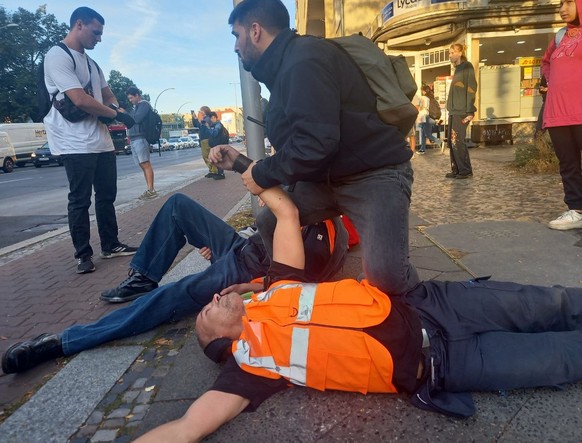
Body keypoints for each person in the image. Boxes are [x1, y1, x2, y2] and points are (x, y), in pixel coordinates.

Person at [135, 182, 582, 442]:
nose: (211, 299)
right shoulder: (248, 370)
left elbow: (286, 213)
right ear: (218, 344)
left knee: (549, 302)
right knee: (560, 359)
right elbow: (186, 428)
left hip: (435, 304)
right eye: (206, 313)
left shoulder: (276, 289)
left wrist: (249, 171)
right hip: (442, 365)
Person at [1, 192, 348, 375]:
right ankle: (143, 277)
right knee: (179, 206)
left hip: (244, 270)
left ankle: (65, 341)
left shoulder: (321, 243)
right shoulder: (316, 210)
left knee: (172, 296)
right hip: (242, 247)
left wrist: (249, 288)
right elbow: (270, 235)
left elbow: (288, 288)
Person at [210, 0, 418, 297]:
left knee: (385, 280)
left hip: (375, 176)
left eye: (236, 35)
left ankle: (426, 309)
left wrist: (264, 172)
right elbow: (299, 149)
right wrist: (242, 162)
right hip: (328, 182)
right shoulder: (283, 71)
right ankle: (297, 297)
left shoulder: (303, 60)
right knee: (268, 220)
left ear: (255, 31)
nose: (235, 47)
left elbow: (316, 143)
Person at [43, 7, 137, 274]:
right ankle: (83, 254)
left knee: (107, 196)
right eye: (96, 32)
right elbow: (80, 99)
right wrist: (115, 116)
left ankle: (110, 244)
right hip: (73, 141)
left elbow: (106, 94)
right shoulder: (57, 56)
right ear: (79, 25)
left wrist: (116, 109)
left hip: (101, 141)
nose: (99, 38)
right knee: (80, 199)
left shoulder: (93, 64)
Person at [541, 0, 582, 230]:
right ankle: (576, 210)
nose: (563, 8)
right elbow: (546, 62)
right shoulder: (559, 36)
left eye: (568, 2)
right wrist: (552, 81)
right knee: (568, 164)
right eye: (560, 4)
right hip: (558, 113)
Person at [445, 43, 477, 179]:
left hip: (462, 110)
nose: (450, 55)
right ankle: (457, 169)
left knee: (457, 140)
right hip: (453, 110)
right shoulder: (457, 69)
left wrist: (470, 111)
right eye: (450, 53)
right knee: (451, 141)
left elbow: (471, 87)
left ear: (459, 53)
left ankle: (465, 170)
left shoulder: (467, 66)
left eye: (452, 52)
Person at [126, 86, 157, 200]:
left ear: (137, 95)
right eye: (129, 98)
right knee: (141, 164)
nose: (131, 100)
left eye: (131, 98)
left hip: (141, 137)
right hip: (134, 138)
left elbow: (137, 119)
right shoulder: (135, 107)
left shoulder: (144, 104)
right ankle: (149, 188)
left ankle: (151, 189)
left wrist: (126, 113)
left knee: (145, 163)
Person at [193, 106, 220, 179]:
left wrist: (196, 119)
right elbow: (198, 125)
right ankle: (212, 170)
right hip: (204, 139)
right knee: (207, 155)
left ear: (204, 111)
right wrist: (195, 119)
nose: (200, 112)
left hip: (206, 139)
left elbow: (200, 125)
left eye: (201, 110)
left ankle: (214, 170)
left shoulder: (207, 119)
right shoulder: (206, 119)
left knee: (206, 155)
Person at [418, 85, 442, 153]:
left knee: (427, 134)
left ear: (424, 91)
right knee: (423, 133)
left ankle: (440, 142)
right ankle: (422, 149)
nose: (422, 92)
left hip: (426, 117)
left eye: (422, 91)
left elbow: (421, 108)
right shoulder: (432, 98)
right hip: (431, 118)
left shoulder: (424, 98)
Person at [207, 112, 227, 180]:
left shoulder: (218, 125)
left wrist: (209, 128)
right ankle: (219, 173)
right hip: (216, 145)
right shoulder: (214, 125)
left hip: (218, 144)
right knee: (217, 159)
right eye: (211, 118)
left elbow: (214, 134)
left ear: (216, 118)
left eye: (213, 118)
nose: (212, 120)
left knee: (219, 159)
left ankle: (221, 174)